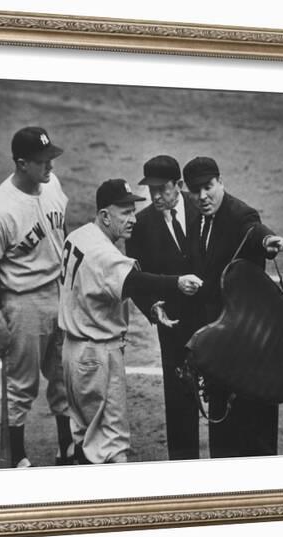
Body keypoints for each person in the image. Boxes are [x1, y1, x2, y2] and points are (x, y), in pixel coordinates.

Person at [58, 178, 202, 464]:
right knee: (112, 445)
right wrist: (177, 282)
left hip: (72, 353)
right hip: (97, 356)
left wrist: (151, 309)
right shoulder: (105, 254)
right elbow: (137, 281)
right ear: (104, 216)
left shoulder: (80, 235)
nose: (133, 219)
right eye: (124, 212)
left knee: (87, 437)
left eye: (133, 211)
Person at [183, 156, 283, 458]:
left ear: (220, 182)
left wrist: (268, 241)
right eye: (195, 190)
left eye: (208, 187)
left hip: (250, 348)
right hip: (222, 345)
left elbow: (255, 230)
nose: (202, 196)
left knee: (255, 431)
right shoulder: (200, 216)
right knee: (224, 433)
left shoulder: (238, 213)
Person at [0, 126, 73, 468]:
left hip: (57, 291)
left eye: (51, 158)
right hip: (21, 302)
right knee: (22, 385)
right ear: (22, 164)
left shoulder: (51, 184)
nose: (50, 166)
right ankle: (18, 457)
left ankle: (66, 447)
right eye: (42, 161)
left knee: (63, 375)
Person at [125, 155, 202, 461]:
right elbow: (138, 278)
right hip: (173, 322)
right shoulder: (142, 224)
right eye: (151, 189)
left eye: (163, 188)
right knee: (179, 397)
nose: (156, 196)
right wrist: (153, 308)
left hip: (213, 318)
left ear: (179, 185)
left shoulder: (202, 207)